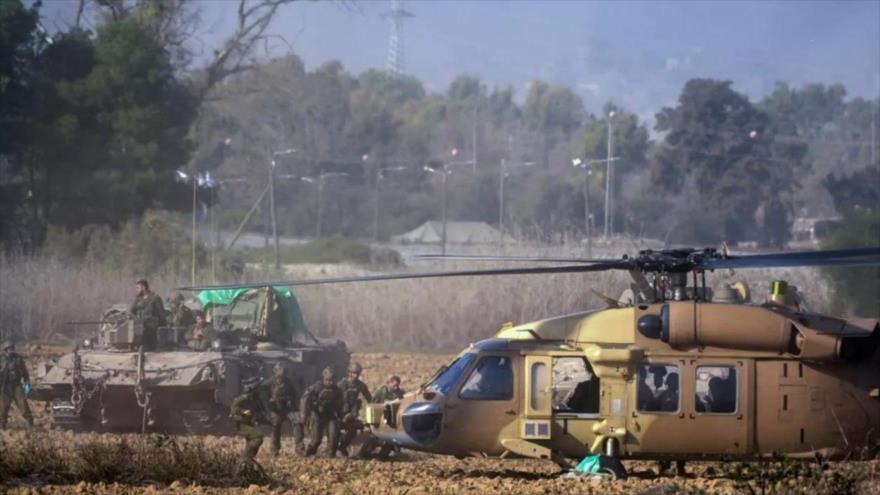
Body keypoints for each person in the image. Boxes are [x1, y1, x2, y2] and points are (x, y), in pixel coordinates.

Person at [357, 375, 406, 459]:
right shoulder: (381, 392)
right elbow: (372, 405)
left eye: (397, 385)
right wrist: (370, 421)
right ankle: (362, 454)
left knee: (391, 439)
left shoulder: (400, 394)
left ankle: (383, 456)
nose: (396, 387)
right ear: (388, 383)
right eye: (394, 385)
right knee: (373, 437)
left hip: (393, 420)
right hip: (380, 419)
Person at [304, 367, 343, 458]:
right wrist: (307, 413)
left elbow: (339, 405)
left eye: (332, 380)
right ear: (323, 378)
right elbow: (306, 399)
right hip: (317, 415)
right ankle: (309, 453)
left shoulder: (337, 390)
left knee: (333, 436)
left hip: (330, 415)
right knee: (316, 440)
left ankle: (330, 455)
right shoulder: (317, 387)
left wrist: (341, 417)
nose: (330, 382)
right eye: (328, 380)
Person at [337, 362, 372, 456]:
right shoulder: (341, 384)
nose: (356, 376)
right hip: (339, 413)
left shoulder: (360, 385)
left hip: (351, 413)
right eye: (354, 373)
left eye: (358, 373)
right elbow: (334, 398)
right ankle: (334, 446)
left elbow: (369, 398)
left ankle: (343, 446)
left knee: (355, 427)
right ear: (349, 373)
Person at [0, 341, 34, 430]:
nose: (11, 350)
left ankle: (30, 424)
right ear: (5, 350)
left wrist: (27, 384)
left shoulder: (18, 359)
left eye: (12, 348)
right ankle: (2, 425)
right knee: (4, 407)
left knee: (23, 404)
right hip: (5, 386)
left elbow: (25, 373)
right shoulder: (1, 360)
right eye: (9, 349)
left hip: (16, 385)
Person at [268, 363, 299, 457]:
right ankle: (274, 450)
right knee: (275, 425)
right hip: (276, 410)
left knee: (297, 422)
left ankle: (300, 449)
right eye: (278, 376)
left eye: (282, 376)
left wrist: (291, 402)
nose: (280, 378)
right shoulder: (269, 383)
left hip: (288, 409)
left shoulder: (289, 383)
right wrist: (270, 403)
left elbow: (295, 395)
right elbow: (263, 396)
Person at [231, 381, 265, 464]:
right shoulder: (244, 397)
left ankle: (247, 461)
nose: (259, 390)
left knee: (251, 441)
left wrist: (258, 420)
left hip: (249, 422)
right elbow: (234, 408)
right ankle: (245, 458)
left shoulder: (254, 399)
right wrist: (243, 412)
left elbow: (258, 411)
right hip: (241, 423)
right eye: (257, 389)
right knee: (258, 437)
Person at [129, 280, 165, 351]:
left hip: (152, 326)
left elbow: (161, 314)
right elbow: (131, 311)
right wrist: (136, 320)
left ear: (143, 287)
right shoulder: (138, 298)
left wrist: (157, 323)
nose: (136, 290)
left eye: (137, 288)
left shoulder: (155, 298)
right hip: (140, 325)